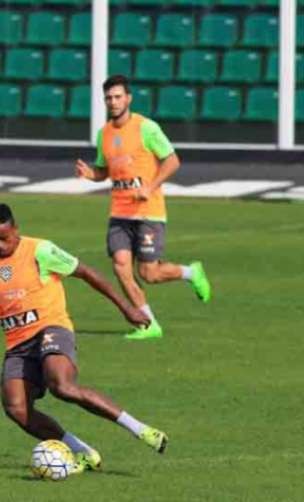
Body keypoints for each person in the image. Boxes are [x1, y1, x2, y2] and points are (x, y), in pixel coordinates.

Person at [0, 203, 169, 474]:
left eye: (5, 238)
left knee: (62, 385)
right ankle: (83, 452)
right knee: (15, 407)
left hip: (51, 328)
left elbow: (87, 273)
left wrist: (127, 308)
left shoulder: (39, 250)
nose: (0, 246)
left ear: (15, 229)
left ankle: (140, 430)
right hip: (17, 343)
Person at [75, 74, 212, 340]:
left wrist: (150, 187)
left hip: (148, 212)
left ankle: (190, 272)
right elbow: (105, 170)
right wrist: (91, 174)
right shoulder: (104, 134)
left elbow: (172, 160)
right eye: (108, 98)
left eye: (117, 97)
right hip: (120, 213)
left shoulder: (146, 128)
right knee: (120, 266)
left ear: (128, 98)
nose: (113, 102)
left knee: (149, 273)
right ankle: (149, 325)